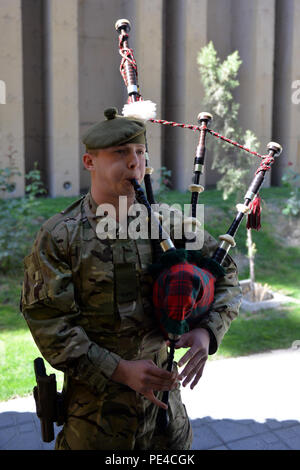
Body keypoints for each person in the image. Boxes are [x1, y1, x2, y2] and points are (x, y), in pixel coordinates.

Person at [20, 107, 242, 450]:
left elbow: (224, 270)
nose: (134, 162)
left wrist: (207, 330)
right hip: (96, 423)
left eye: (139, 152)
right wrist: (120, 369)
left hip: (166, 423)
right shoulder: (61, 236)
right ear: (89, 162)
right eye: (120, 153)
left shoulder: (170, 225)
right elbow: (49, 323)